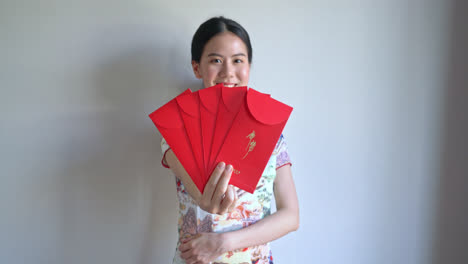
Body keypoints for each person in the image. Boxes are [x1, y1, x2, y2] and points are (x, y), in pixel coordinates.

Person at [160, 16, 299, 264]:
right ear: (196, 67)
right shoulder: (176, 127)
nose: (228, 72)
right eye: (215, 60)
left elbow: (291, 216)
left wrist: (223, 243)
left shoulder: (272, 133)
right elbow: (207, 201)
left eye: (237, 60)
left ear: (248, 66)